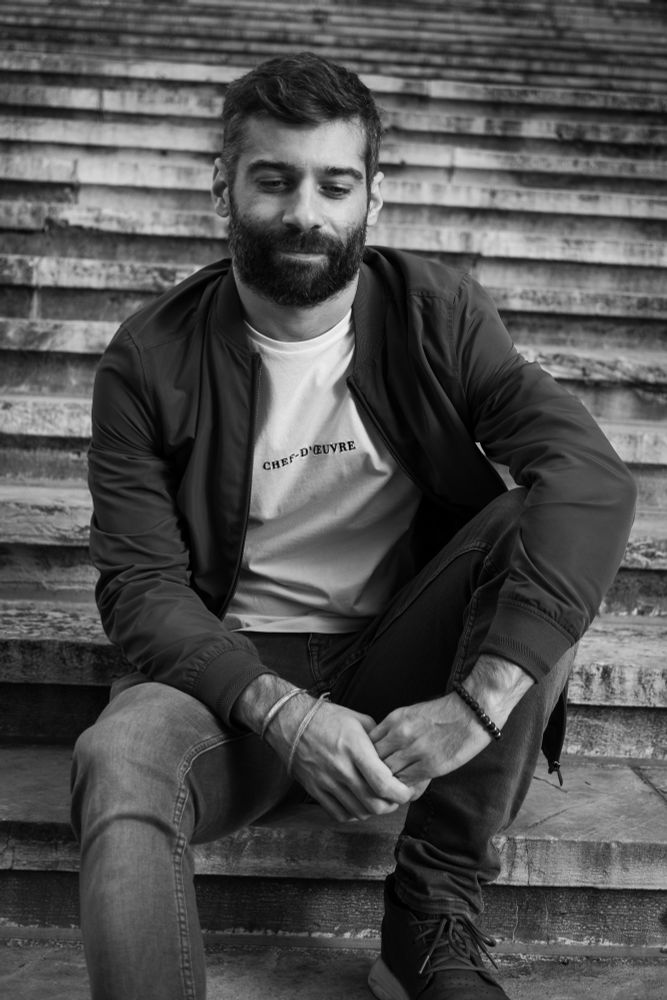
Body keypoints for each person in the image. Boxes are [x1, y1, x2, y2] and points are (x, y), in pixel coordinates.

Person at [71, 52, 636, 1000]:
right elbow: (140, 588)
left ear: (375, 194)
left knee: (538, 524)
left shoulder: (435, 312)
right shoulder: (148, 357)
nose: (304, 212)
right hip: (227, 677)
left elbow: (586, 477)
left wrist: (476, 705)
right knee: (119, 759)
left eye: (334, 183)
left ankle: (430, 913)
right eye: (273, 179)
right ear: (223, 186)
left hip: (402, 661)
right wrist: (283, 711)